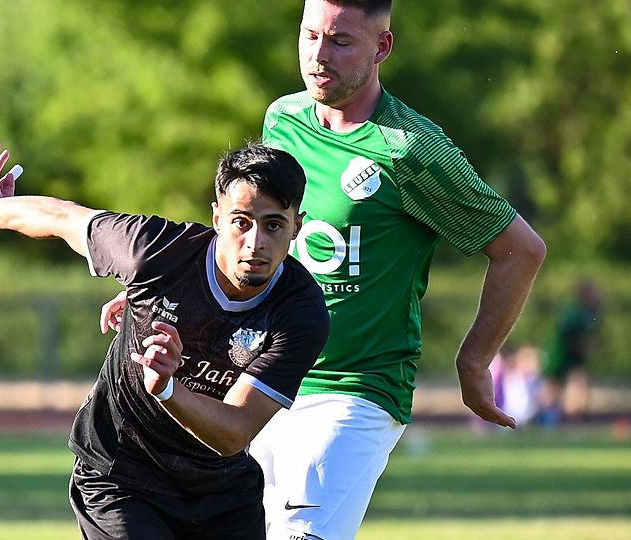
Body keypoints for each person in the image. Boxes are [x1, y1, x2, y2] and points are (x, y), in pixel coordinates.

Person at [101, 1, 547, 538]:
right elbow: (252, 230)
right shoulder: (283, 118)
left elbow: (520, 250)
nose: (318, 55)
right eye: (310, 35)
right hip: (259, 376)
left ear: (382, 47)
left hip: (354, 388)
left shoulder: (412, 151)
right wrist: (168, 290)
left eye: (340, 41)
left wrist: (474, 362)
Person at [0, 141, 330, 539]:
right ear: (217, 218)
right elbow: (65, 216)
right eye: (241, 222)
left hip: (221, 490)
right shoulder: (155, 252)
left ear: (297, 226)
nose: (255, 243)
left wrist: (167, 389)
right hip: (122, 476)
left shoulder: (301, 313)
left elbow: (234, 432)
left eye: (274, 225)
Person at [538, 279, 603, 425]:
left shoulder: (590, 312)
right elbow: (568, 336)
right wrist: (585, 346)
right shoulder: (573, 312)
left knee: (578, 384)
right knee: (553, 388)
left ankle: (575, 418)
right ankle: (541, 417)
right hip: (560, 355)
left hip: (574, 358)